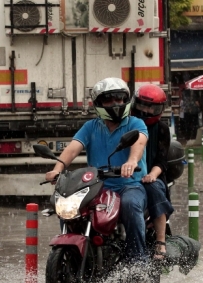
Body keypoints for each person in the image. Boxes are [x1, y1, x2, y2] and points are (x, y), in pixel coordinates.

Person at [44, 77, 150, 262]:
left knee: (130, 205)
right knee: (70, 207)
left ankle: (137, 260)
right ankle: (75, 255)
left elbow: (139, 143)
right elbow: (72, 148)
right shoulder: (90, 127)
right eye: (109, 99)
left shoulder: (136, 124)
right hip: (98, 187)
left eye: (119, 98)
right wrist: (57, 169)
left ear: (126, 100)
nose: (115, 103)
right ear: (99, 104)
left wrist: (132, 162)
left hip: (129, 185)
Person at [130, 84, 174, 261]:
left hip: (150, 176)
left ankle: (160, 241)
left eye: (152, 108)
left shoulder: (162, 129)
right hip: (124, 177)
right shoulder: (127, 124)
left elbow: (161, 160)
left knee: (154, 189)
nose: (147, 111)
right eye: (142, 105)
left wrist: (151, 175)